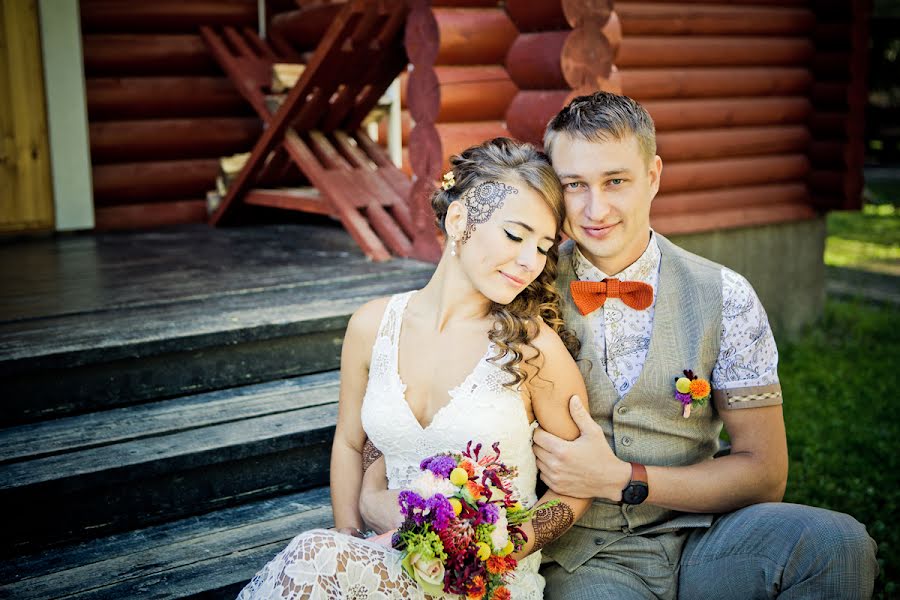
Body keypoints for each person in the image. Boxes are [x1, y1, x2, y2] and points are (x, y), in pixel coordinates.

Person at [531, 91, 879, 599]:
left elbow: (764, 473)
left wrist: (622, 478)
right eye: (574, 185)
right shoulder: (526, 292)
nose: (595, 208)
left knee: (837, 544)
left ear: (653, 177)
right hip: (586, 554)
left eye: (615, 181)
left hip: (705, 536)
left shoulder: (725, 295)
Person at [237, 138, 596, 599]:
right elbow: (349, 442)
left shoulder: (532, 350)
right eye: (515, 235)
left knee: (312, 555)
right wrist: (348, 539)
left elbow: (576, 487)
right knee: (319, 556)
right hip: (383, 560)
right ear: (459, 220)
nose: (530, 261)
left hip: (482, 583)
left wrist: (497, 547)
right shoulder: (371, 327)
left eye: (544, 247)